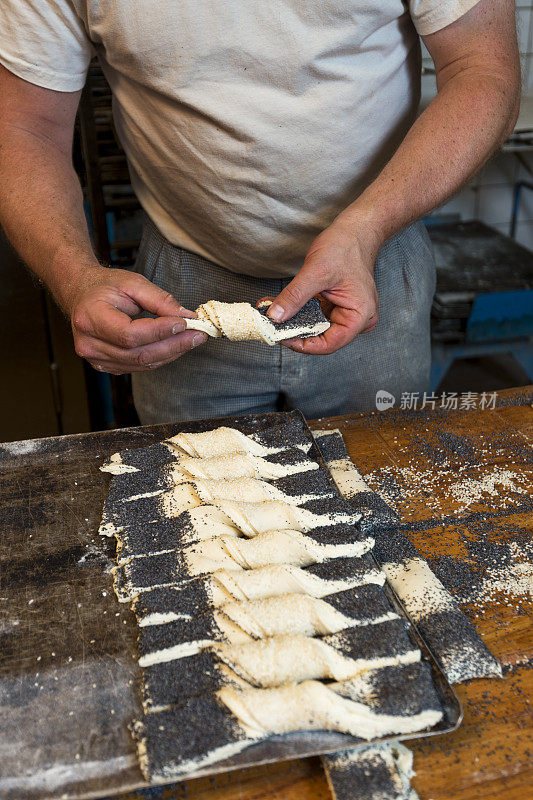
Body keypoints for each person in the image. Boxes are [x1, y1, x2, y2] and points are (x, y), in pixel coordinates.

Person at [0, 1, 519, 422]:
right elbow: (24, 129)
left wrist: (367, 228)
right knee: (196, 520)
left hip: (376, 265)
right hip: (180, 291)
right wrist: (75, 277)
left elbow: (483, 70)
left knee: (378, 506)